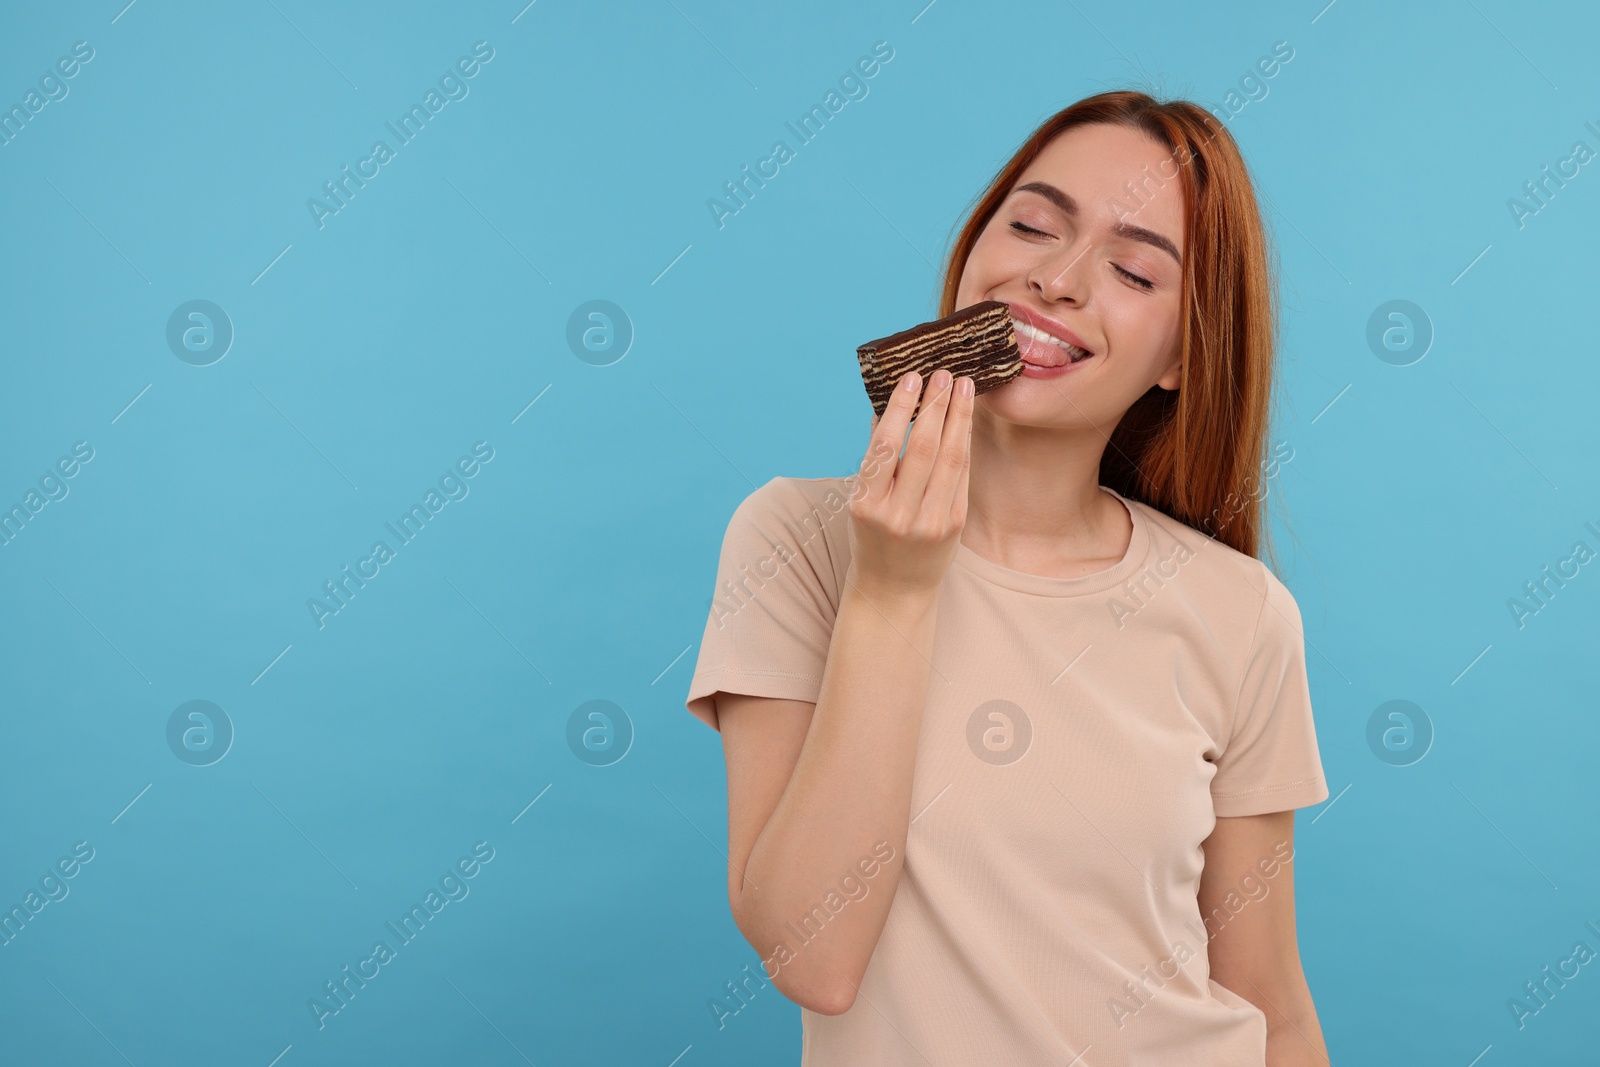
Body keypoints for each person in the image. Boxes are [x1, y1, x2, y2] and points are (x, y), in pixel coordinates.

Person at [684, 90, 1331, 1066]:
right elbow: (812, 956)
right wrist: (894, 591)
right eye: (1032, 224)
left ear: (1181, 356)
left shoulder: (1243, 616)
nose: (1056, 279)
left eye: (1131, 269)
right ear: (970, 252)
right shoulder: (795, 540)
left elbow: (1270, 1003)